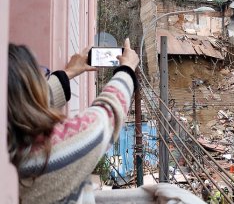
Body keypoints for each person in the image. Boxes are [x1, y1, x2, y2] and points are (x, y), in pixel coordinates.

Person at [7, 39, 139, 203]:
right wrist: (126, 70)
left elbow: (24, 101)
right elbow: (105, 117)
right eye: (39, 74)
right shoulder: (44, 154)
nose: (44, 76)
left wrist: (68, 73)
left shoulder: (9, 143)